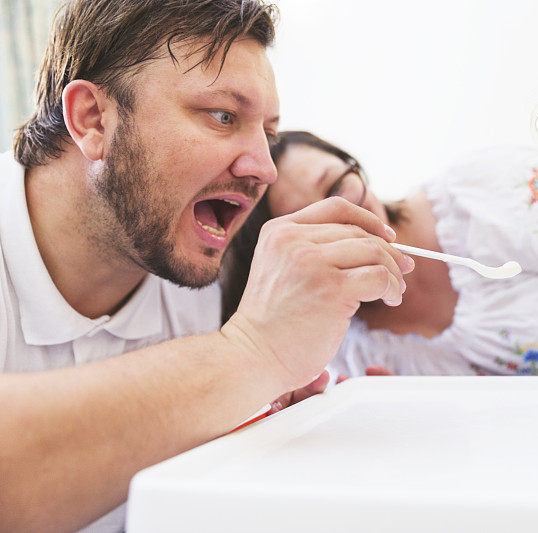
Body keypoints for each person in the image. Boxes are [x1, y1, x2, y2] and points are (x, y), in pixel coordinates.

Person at [0, 1, 414, 531]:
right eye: (223, 116)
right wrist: (250, 355)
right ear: (92, 118)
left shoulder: (207, 270)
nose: (263, 168)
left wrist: (266, 437)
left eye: (268, 132)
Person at [221, 131, 538, 380]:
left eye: (336, 186)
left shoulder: (483, 190)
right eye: (318, 221)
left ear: (351, 164)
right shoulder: (349, 355)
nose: (347, 215)